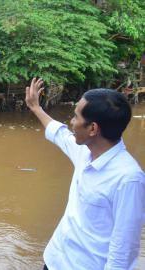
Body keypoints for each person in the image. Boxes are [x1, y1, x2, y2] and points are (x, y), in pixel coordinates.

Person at [25, 78, 144, 270]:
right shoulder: (86, 152)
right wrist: (36, 108)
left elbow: (123, 248)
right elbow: (60, 134)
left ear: (93, 129)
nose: (71, 122)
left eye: (76, 117)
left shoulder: (128, 179)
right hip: (55, 260)